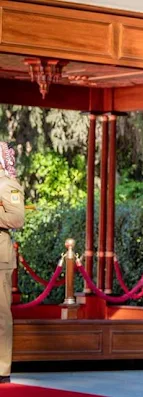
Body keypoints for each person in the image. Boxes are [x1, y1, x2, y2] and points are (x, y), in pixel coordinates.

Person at [0, 141, 25, 384]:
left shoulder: (8, 185)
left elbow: (17, 219)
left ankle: (2, 369)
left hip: (0, 259)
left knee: (0, 315)